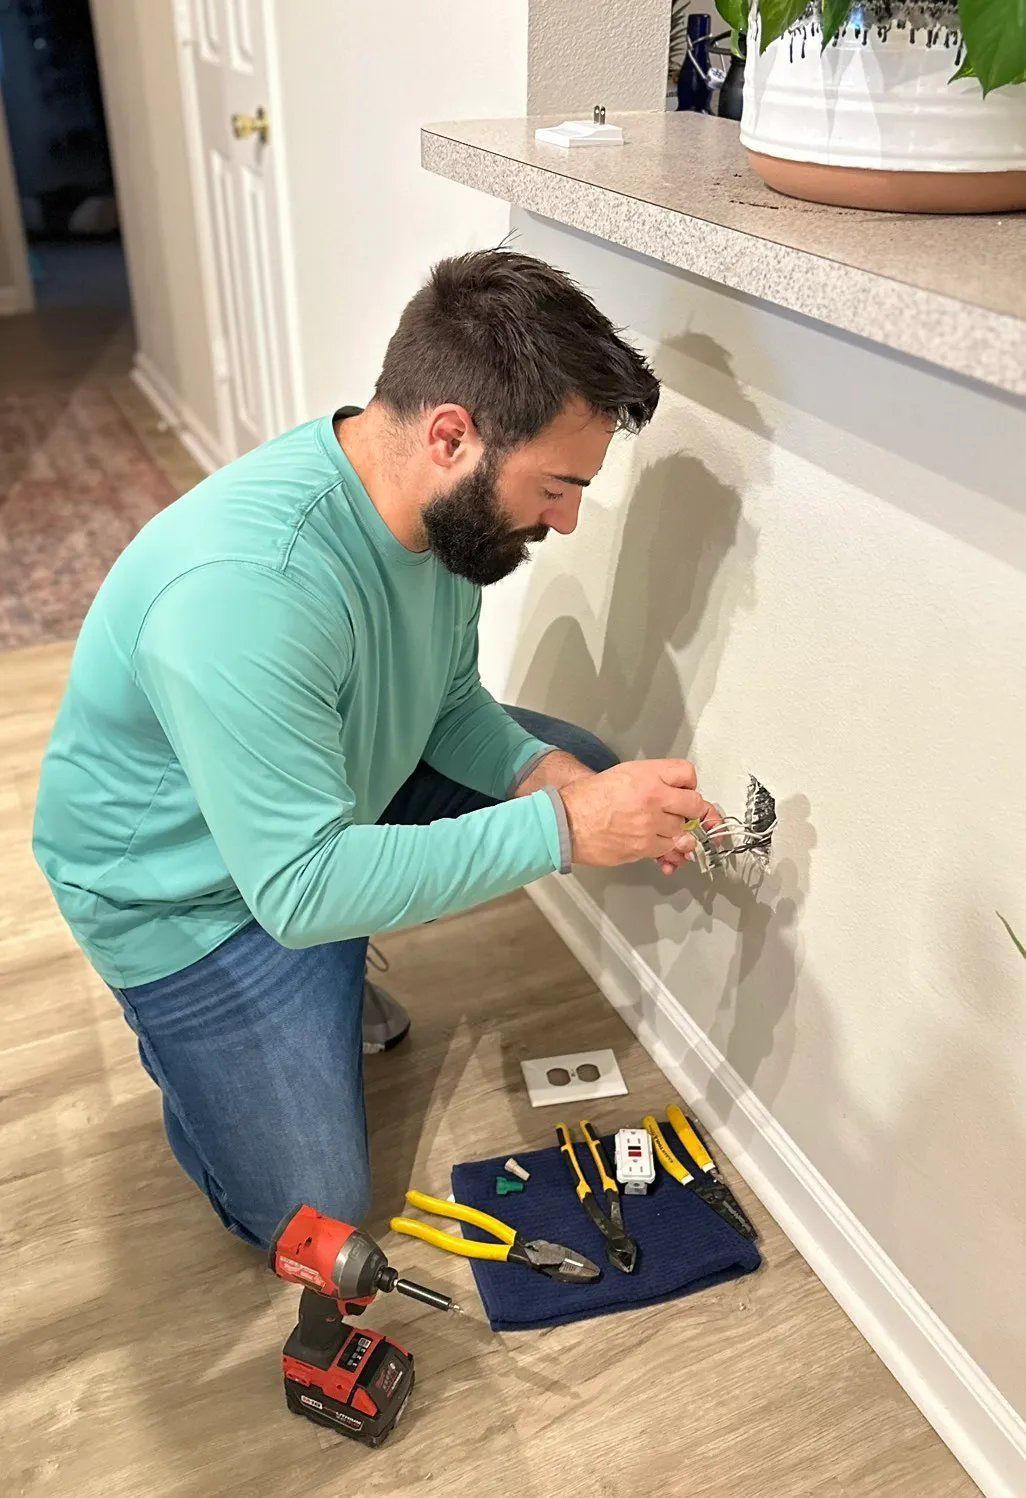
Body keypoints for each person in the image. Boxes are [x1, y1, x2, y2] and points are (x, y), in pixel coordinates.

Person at [33, 249, 719, 1249]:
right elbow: (302, 891)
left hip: (313, 819)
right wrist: (565, 828)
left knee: (570, 753)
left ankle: (332, 963)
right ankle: (205, 1046)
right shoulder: (245, 590)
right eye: (559, 486)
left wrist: (552, 782)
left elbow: (443, 706)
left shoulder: (441, 523)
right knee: (317, 1214)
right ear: (452, 434)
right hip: (185, 895)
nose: (565, 521)